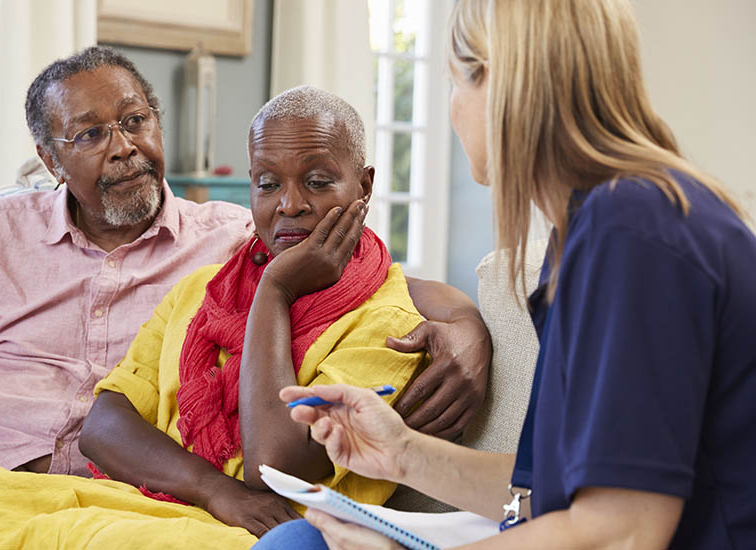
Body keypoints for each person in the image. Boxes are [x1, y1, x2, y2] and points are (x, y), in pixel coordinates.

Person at [0, 48, 490, 550]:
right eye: (91, 133)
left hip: (131, 488)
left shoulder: (233, 242)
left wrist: (465, 321)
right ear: (50, 158)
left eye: (136, 121)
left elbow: (359, 273)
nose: (124, 146)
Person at [256, 0, 756, 548]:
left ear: (496, 79)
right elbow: (545, 492)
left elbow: (622, 533)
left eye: (455, 82)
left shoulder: (632, 231)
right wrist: (400, 452)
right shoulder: (600, 228)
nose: (453, 110)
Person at [0, 85, 438, 550]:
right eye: (267, 184)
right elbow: (104, 426)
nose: (289, 205)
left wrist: (275, 291)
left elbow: (273, 469)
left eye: (318, 182)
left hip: (274, 532)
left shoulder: (384, 323)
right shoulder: (202, 290)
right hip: (173, 502)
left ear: (363, 187)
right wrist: (213, 489)